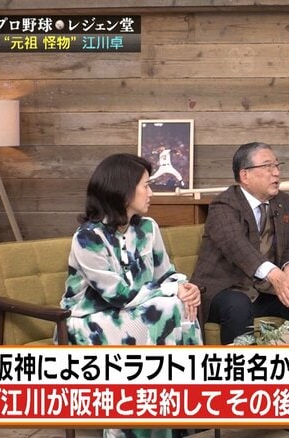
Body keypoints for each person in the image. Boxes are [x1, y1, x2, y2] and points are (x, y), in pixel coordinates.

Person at [60, 153, 202, 437]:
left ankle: (176, 414)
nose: (151, 193)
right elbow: (118, 295)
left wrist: (185, 287)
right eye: (146, 186)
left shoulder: (148, 228)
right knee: (166, 308)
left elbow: (166, 274)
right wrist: (170, 290)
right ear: (123, 190)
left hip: (137, 313)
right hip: (89, 322)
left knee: (179, 303)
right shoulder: (87, 238)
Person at [192, 142, 289, 344]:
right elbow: (237, 247)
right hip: (226, 291)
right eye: (267, 166)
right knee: (238, 304)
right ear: (245, 175)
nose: (276, 173)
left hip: (263, 292)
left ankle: (287, 355)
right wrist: (275, 275)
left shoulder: (283, 202)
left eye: (277, 165)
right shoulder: (224, 204)